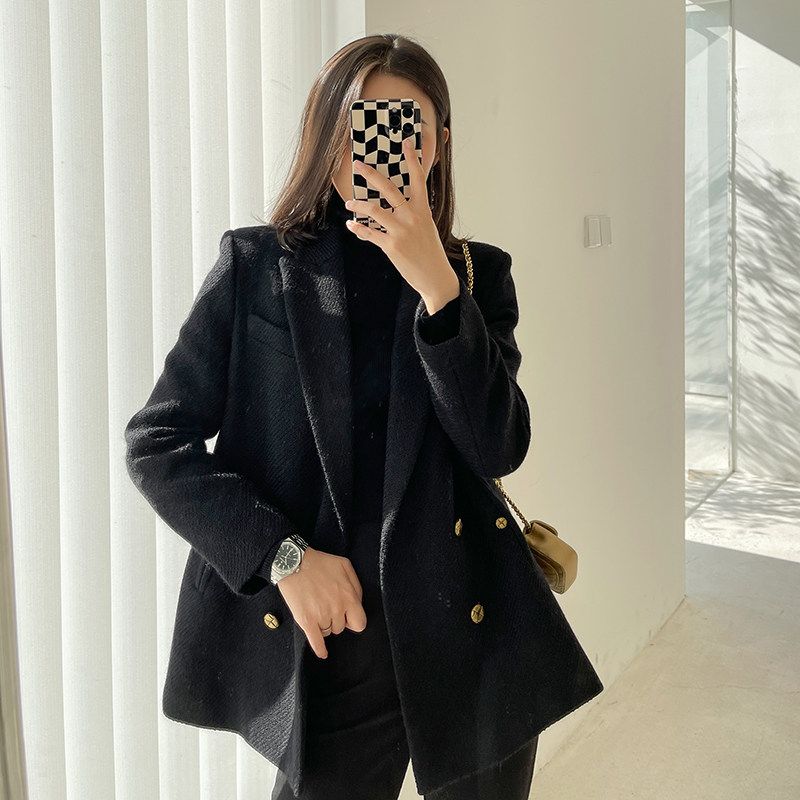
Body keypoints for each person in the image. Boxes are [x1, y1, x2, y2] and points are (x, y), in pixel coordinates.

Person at [124, 32, 603, 800]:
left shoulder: (478, 276)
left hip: (473, 631)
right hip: (334, 639)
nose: (384, 149)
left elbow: (498, 447)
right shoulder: (259, 268)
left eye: (408, 128)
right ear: (328, 134)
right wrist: (282, 558)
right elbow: (157, 442)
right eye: (364, 124)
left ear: (438, 146)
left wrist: (438, 289)